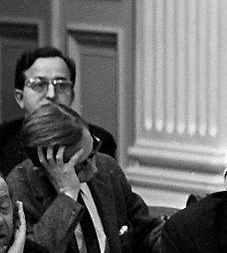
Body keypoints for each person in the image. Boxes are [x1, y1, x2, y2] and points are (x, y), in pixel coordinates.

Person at [6, 103, 162, 253]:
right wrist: (68, 196)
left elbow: (145, 232)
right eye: (82, 164)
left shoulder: (107, 168)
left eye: (93, 151)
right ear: (44, 168)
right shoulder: (19, 191)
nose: (94, 167)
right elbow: (40, 249)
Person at [0, 48, 116, 176]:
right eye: (39, 85)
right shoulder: (3, 139)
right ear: (20, 97)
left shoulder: (98, 141)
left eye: (62, 85)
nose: (51, 94)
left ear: (72, 96)